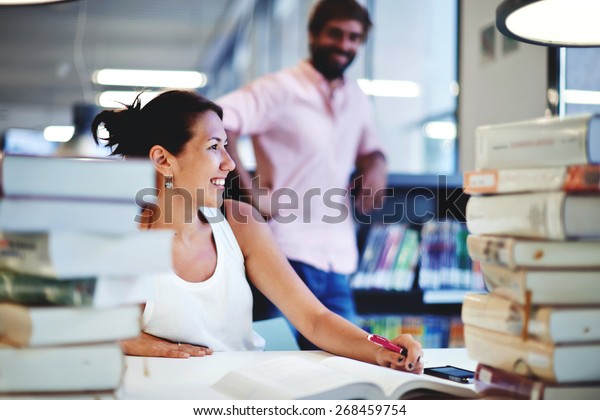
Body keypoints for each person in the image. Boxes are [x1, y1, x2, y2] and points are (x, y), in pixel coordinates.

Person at [91, 89, 423, 373]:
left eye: (225, 145)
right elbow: (80, 328)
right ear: (163, 160)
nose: (230, 163)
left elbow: (315, 319)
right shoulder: (125, 242)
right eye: (213, 146)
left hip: (247, 392)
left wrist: (380, 347)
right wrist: (113, 336)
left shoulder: (239, 223)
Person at [216, 0, 387, 349]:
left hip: (339, 259)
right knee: (279, 369)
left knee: (350, 365)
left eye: (354, 37)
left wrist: (377, 165)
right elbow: (217, 117)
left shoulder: (356, 97)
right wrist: (248, 191)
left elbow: (371, 148)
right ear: (313, 35)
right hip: (284, 252)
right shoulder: (279, 89)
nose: (344, 44)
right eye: (335, 34)